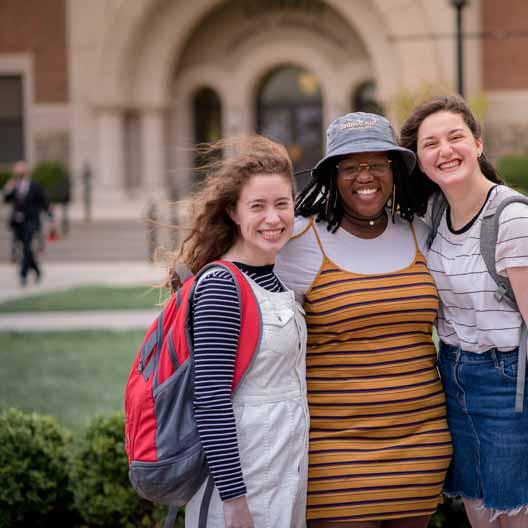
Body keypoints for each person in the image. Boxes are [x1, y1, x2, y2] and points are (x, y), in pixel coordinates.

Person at [275, 112, 452, 528]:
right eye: (350, 166)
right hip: (335, 452)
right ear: (332, 177)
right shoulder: (298, 241)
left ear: (394, 171)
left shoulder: (420, 233)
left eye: (377, 163)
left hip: (421, 444)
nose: (364, 175)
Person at [165, 136, 309, 528]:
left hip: (284, 475)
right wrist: (234, 501)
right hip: (244, 486)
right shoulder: (221, 286)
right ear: (233, 211)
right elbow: (210, 399)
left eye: (282, 204)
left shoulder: (275, 281)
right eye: (257, 207)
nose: (273, 218)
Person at [400, 95, 528, 528]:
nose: (444, 150)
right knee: (477, 512)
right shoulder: (432, 215)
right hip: (452, 378)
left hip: (509, 384)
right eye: (429, 143)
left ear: (477, 143)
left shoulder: (511, 218)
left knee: (513, 515)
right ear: (419, 159)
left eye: (455, 137)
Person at [3, 161, 52, 286]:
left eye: (20, 170)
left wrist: (51, 219)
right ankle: (36, 270)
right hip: (17, 222)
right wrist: (8, 189)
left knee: (26, 247)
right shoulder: (14, 185)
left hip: (31, 221)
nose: (18, 173)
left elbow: (45, 203)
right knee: (24, 248)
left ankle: (23, 275)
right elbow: (6, 200)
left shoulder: (35, 186)